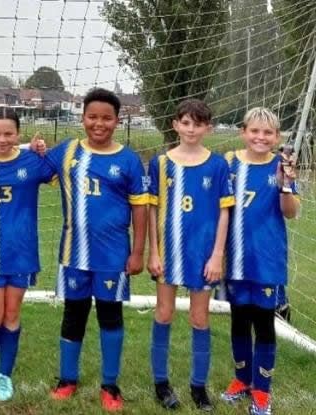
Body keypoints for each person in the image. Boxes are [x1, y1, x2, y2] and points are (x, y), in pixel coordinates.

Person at [45, 88, 149, 412]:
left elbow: (141, 210)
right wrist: (32, 148)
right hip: (73, 254)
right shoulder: (67, 152)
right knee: (73, 315)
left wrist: (138, 253)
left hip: (113, 256)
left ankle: (110, 384)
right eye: (93, 117)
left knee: (110, 317)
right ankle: (67, 379)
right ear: (83, 117)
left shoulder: (129, 160)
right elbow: (34, 167)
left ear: (117, 120)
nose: (98, 123)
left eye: (106, 118)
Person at [147, 99, 234, 412]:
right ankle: (161, 383)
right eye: (186, 123)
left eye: (198, 124)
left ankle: (199, 387)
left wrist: (217, 255)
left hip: (202, 254)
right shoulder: (160, 163)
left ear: (208, 128)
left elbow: (225, 212)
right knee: (164, 313)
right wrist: (153, 252)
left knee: (200, 318)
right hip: (168, 254)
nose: (191, 129)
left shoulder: (218, 165)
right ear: (175, 125)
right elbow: (153, 208)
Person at [0, 110, 54, 401]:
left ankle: (4, 375)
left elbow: (57, 167)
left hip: (22, 252)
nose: (2, 139)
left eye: (8, 134)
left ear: (18, 134)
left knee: (11, 314)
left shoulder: (32, 162)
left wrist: (38, 148)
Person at [220, 107, 299, 415]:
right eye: (255, 131)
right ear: (244, 132)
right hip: (235, 260)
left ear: (276, 137)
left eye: (268, 133)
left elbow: (290, 212)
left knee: (264, 325)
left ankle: (262, 392)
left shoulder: (281, 166)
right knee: (239, 320)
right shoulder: (228, 162)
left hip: (267, 260)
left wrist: (286, 183)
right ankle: (242, 380)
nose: (260, 137)